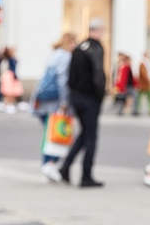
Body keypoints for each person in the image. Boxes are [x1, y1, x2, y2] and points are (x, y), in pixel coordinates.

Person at [58, 18, 106, 188]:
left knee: (84, 134)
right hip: (90, 99)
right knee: (91, 137)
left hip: (76, 98)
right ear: (98, 30)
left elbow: (70, 77)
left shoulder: (79, 48)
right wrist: (100, 96)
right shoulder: (95, 49)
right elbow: (98, 76)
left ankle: (65, 167)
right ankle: (86, 175)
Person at [31, 33, 76, 182]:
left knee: (48, 132)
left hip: (43, 99)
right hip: (54, 101)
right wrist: (64, 102)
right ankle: (49, 163)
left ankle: (48, 164)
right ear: (70, 43)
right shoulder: (65, 57)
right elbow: (63, 80)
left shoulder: (54, 55)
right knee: (55, 133)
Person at [135, 51, 150, 116]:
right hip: (144, 84)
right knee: (143, 97)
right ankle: (137, 110)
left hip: (146, 84)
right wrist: (149, 81)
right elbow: (144, 74)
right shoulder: (143, 63)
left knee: (149, 97)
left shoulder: (146, 63)